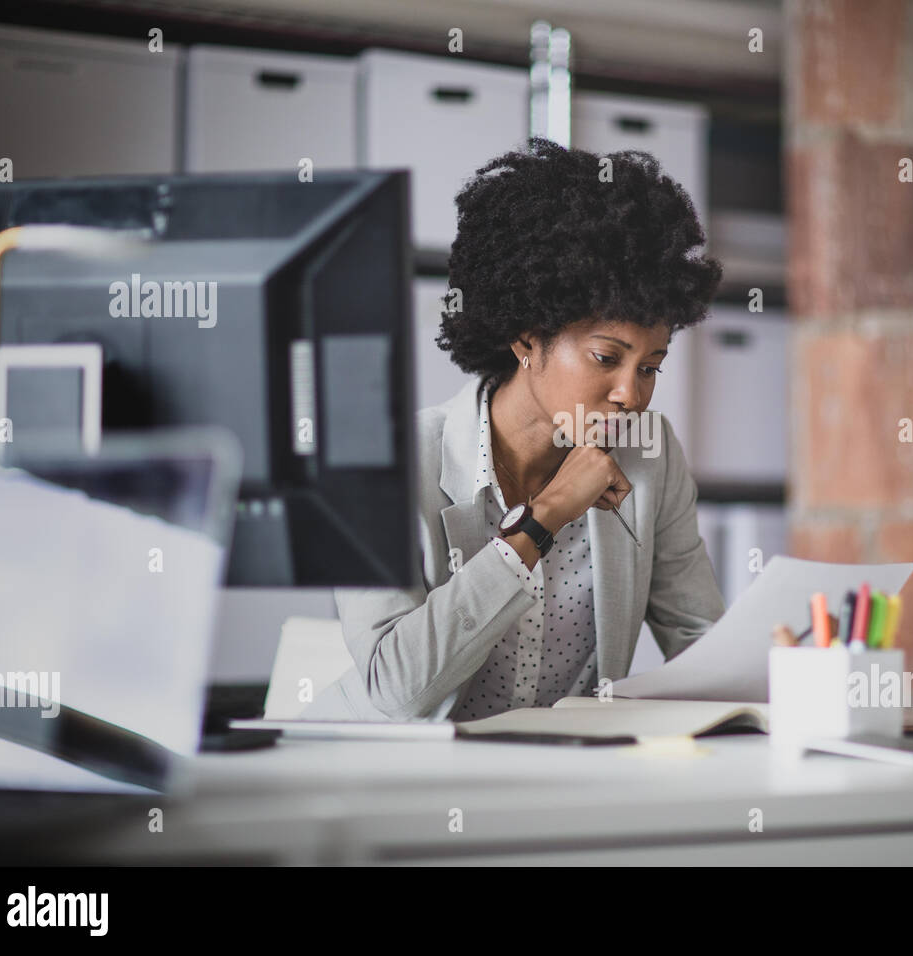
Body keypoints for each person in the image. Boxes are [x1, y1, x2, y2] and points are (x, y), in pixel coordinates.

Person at [304, 137, 726, 722]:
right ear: (528, 338)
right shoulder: (387, 460)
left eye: (650, 368)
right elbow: (397, 691)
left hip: (555, 787)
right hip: (384, 784)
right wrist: (544, 517)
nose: (632, 394)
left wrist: (788, 669)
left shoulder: (649, 457)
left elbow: (704, 645)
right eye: (608, 359)